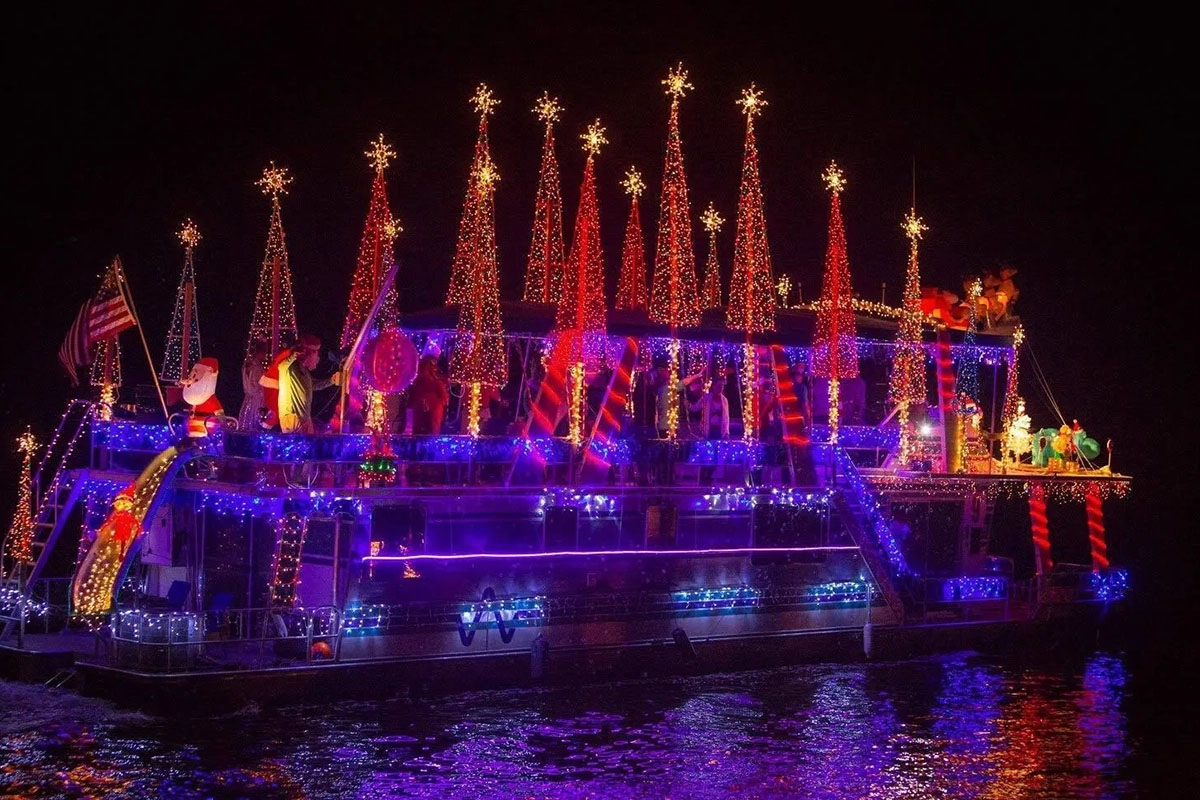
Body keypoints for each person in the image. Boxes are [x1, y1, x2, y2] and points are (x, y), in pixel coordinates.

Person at [278, 334, 339, 434]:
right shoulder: (290, 367)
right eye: (315, 352)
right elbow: (281, 366)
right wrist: (292, 357)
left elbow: (313, 385)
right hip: (293, 417)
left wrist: (331, 381)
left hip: (305, 418)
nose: (317, 357)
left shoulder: (304, 371)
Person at [656, 361, 706, 438]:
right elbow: (685, 382)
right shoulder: (667, 389)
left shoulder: (662, 389)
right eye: (666, 371)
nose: (669, 373)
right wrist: (698, 375)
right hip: (668, 427)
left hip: (667, 426)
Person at [408, 355, 449, 435]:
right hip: (419, 415)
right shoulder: (417, 385)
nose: (421, 372)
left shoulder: (436, 384)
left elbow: (444, 399)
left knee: (431, 433)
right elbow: (411, 404)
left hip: (433, 415)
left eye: (423, 370)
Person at [239, 339, 268, 431]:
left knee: (246, 420)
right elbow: (258, 383)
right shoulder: (256, 366)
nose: (265, 356)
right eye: (264, 353)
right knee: (253, 424)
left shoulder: (248, 364)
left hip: (249, 399)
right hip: (255, 399)